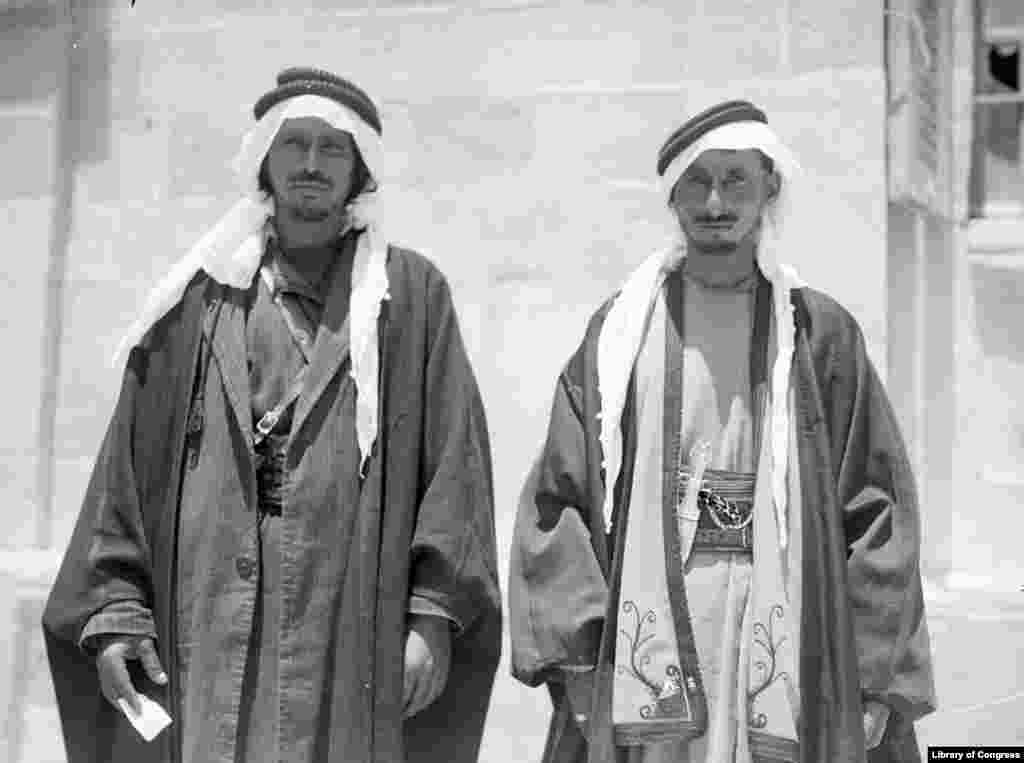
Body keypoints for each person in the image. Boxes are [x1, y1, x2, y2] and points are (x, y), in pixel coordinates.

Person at [42, 67, 501, 763]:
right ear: (265, 158)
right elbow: (126, 475)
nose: (311, 164)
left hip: (343, 620)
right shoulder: (199, 300)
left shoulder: (409, 299)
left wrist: (432, 616)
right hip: (205, 618)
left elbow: (454, 475)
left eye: (332, 148)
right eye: (294, 145)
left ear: (359, 173)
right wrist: (116, 611)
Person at [508, 100, 935, 763]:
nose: (715, 201)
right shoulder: (621, 335)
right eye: (697, 181)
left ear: (770, 187)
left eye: (736, 179)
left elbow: (878, 509)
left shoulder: (820, 336)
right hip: (654, 638)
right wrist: (578, 661)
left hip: (785, 624)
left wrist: (875, 678)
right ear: (672, 197)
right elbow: (557, 498)